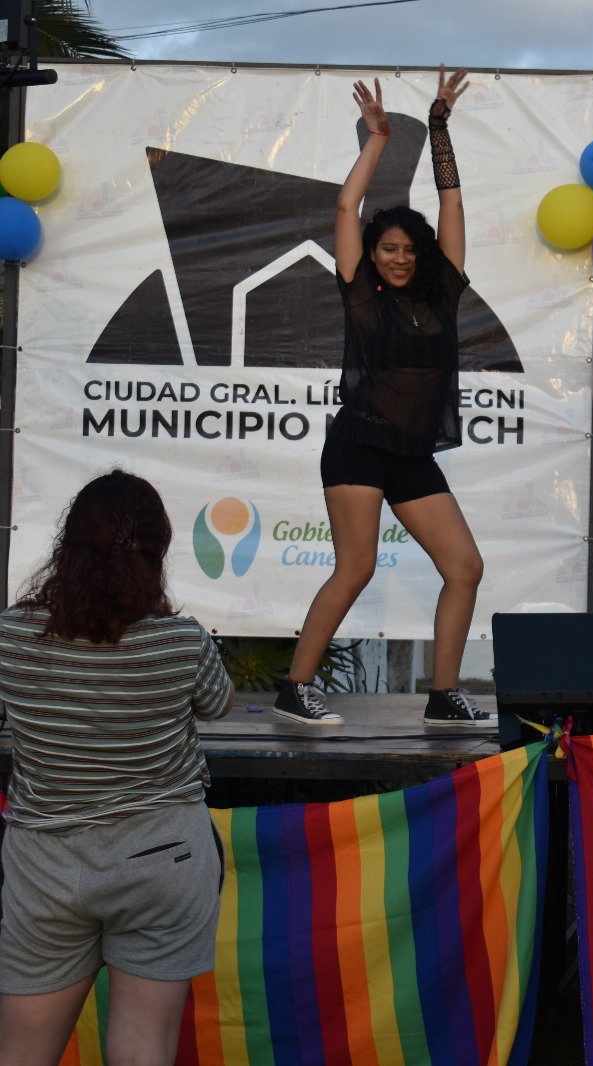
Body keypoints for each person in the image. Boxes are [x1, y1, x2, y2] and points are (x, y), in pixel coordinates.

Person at [275, 66, 491, 728]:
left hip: (410, 453)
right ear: (372, 254)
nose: (397, 257)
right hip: (359, 445)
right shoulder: (362, 297)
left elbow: (452, 206)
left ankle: (443, 693)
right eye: (386, 248)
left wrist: (438, 127)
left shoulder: (442, 292)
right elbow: (346, 209)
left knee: (465, 566)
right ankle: (295, 688)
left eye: (407, 249)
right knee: (358, 566)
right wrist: (376, 141)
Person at [0, 470, 235, 1066]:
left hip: (44, 863)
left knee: (22, 1052)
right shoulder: (181, 641)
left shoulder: (10, 635)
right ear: (156, 554)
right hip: (164, 857)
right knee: (143, 1049)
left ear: (67, 548)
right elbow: (219, 703)